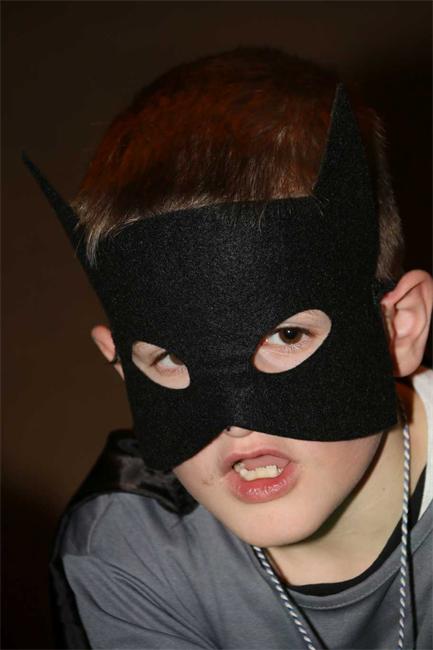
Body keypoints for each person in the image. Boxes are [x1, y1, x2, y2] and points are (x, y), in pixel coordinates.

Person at [25, 46, 432, 650]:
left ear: (399, 328)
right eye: (171, 357)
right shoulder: (129, 546)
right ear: (121, 366)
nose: (235, 422)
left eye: (287, 336)